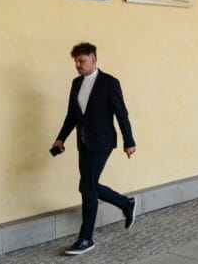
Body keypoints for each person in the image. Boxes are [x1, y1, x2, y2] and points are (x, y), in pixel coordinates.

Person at [52, 42, 137, 255]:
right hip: (83, 142)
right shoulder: (76, 83)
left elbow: (121, 113)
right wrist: (61, 138)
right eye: (75, 61)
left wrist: (129, 141)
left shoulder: (109, 82)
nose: (77, 65)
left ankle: (86, 238)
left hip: (102, 142)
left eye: (82, 61)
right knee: (88, 185)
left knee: (87, 187)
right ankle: (125, 203)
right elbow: (72, 115)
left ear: (94, 60)